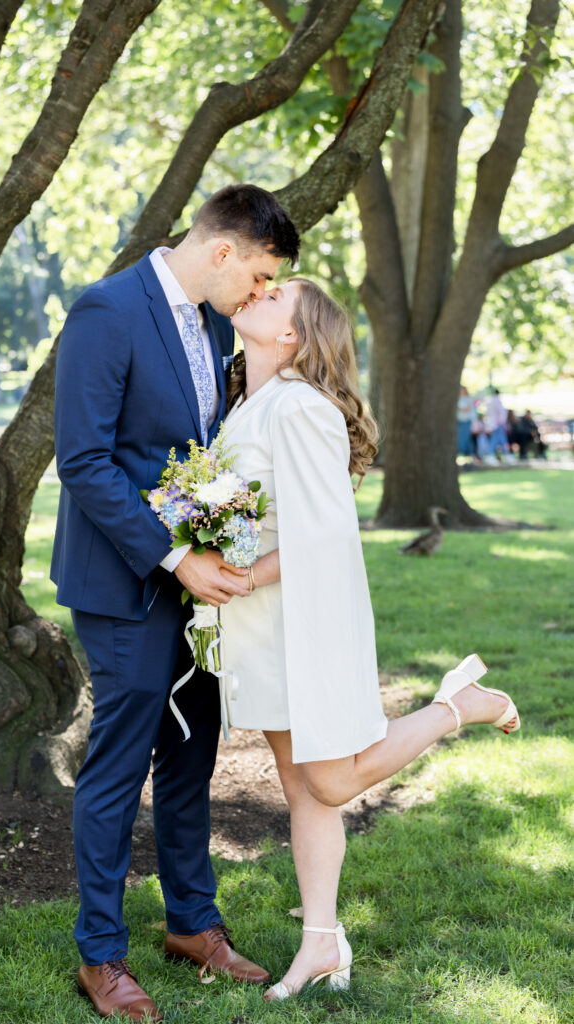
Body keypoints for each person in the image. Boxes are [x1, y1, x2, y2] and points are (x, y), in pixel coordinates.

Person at [218, 278, 520, 1000]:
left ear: (293, 335)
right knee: (302, 790)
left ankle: (458, 707)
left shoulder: (298, 406)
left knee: (326, 779)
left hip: (304, 618)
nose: (259, 289)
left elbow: (323, 532)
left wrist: (241, 575)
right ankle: (321, 942)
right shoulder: (244, 406)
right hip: (257, 622)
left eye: (277, 291)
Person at [51, 184, 301, 1021]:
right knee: (119, 770)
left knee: (191, 760)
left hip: (201, 590)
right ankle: (101, 955)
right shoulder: (106, 310)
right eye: (260, 276)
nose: (261, 295)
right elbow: (83, 461)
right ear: (223, 250)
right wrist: (172, 558)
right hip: (123, 583)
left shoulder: (214, 322)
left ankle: (194, 925)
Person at [456, 385, 475, 457]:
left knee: (464, 437)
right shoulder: (458, 398)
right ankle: (468, 452)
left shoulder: (468, 399)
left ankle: (463, 452)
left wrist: (460, 409)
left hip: (466, 421)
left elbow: (467, 409)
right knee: (463, 437)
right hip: (459, 421)